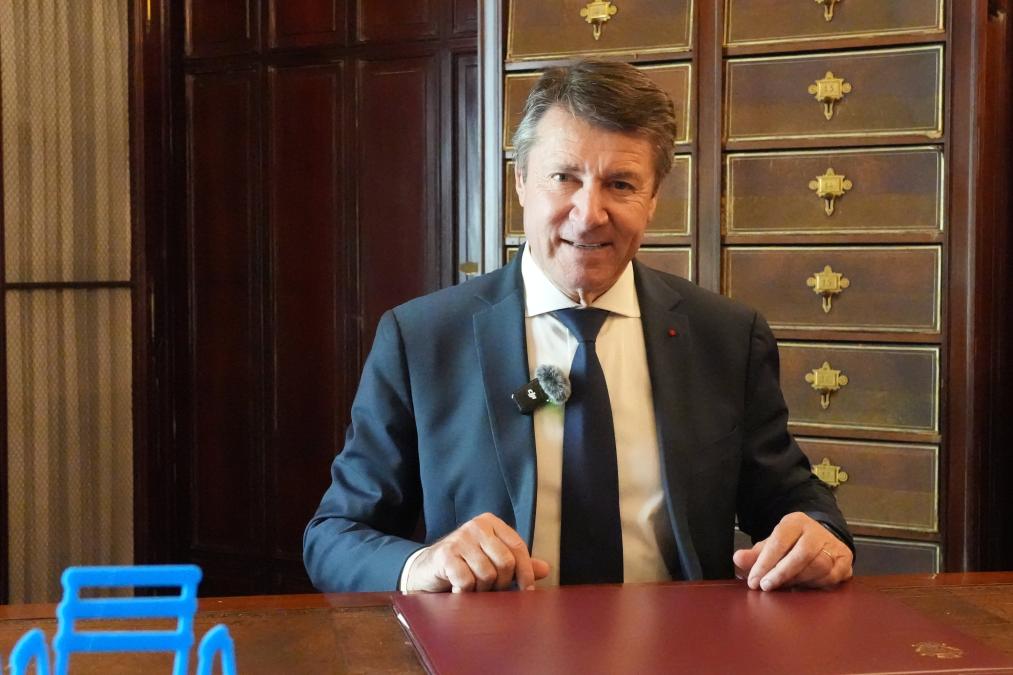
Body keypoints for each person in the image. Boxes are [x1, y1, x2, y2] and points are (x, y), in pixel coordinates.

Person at [303, 60, 854, 594]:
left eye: (621, 184)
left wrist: (816, 535)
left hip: (678, 641)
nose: (589, 214)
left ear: (653, 199)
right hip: (492, 642)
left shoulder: (726, 336)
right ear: (521, 182)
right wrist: (422, 564)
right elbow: (334, 536)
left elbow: (790, 498)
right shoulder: (422, 339)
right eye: (564, 177)